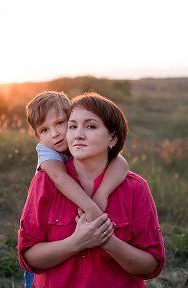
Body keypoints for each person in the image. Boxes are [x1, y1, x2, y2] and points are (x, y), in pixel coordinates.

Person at [18, 92, 165, 287]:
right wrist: (77, 241)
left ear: (112, 138)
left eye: (91, 126)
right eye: (73, 126)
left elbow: (150, 266)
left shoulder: (135, 188)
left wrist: (107, 239)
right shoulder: (47, 175)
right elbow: (28, 257)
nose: (77, 134)